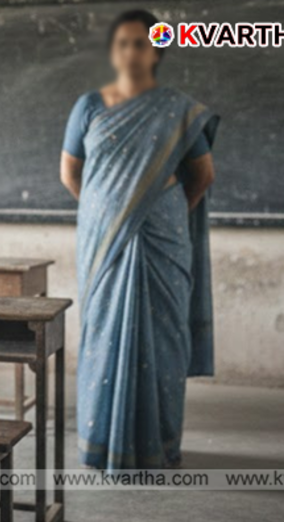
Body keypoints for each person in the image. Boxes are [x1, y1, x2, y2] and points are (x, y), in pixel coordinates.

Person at [60, 9, 220, 471]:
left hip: (163, 241)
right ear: (114, 51)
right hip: (103, 241)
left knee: (164, 340)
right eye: (123, 43)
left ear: (157, 52)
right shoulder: (89, 105)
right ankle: (101, 445)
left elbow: (203, 175)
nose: (131, 52)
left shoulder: (178, 108)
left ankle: (159, 446)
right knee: (102, 336)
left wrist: (159, 210)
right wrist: (107, 209)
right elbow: (71, 172)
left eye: (141, 43)